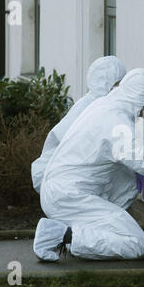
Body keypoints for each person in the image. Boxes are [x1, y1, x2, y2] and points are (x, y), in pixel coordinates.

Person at [33, 68, 144, 261]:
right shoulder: (116, 122)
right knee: (137, 243)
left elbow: (128, 150)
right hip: (69, 197)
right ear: (143, 97)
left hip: (65, 189)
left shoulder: (108, 106)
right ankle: (61, 235)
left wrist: (137, 170)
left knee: (130, 183)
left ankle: (86, 236)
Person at [31, 56, 126, 194]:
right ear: (110, 84)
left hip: (61, 179)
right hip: (64, 181)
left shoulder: (92, 103)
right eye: (120, 83)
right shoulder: (94, 108)